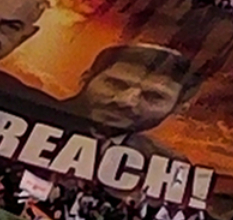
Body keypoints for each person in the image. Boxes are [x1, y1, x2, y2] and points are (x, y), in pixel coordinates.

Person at [59, 43, 199, 160]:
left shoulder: (164, 162)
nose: (126, 101)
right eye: (115, 84)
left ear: (179, 108)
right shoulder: (43, 115)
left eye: (153, 96)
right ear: (86, 79)